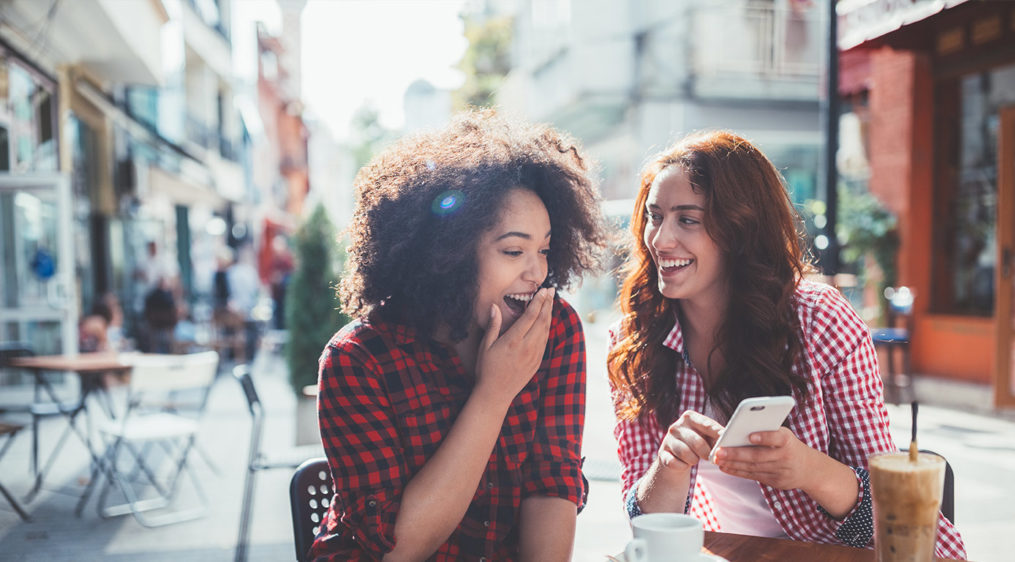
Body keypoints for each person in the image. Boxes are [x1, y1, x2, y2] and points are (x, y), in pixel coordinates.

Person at [605, 131, 966, 559]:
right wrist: (667, 466)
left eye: (688, 219)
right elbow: (645, 532)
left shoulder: (818, 320)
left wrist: (807, 468)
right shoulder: (635, 339)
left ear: (740, 228)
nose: (660, 239)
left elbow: (891, 508)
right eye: (654, 216)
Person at [311, 110, 606, 561]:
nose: (538, 271)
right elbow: (400, 548)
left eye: (544, 249)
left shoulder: (554, 328)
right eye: (513, 250)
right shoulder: (357, 359)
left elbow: (551, 483)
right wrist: (494, 393)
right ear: (447, 255)